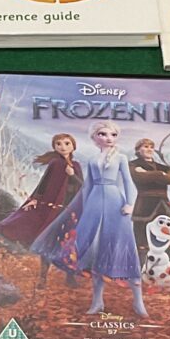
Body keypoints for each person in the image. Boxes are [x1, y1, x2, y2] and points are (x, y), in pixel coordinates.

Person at [31, 120, 147, 319]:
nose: (108, 138)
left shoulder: (121, 158)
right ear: (94, 137)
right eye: (103, 134)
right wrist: (82, 208)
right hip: (93, 204)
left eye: (113, 135)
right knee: (95, 250)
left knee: (124, 245)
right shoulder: (93, 160)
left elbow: (129, 183)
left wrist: (130, 204)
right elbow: (87, 187)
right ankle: (97, 301)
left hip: (115, 203)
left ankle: (138, 300)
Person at [0, 132, 82, 285]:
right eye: (58, 144)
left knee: (69, 243)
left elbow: (82, 186)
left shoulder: (75, 166)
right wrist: (34, 199)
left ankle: (69, 277)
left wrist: (72, 175)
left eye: (67, 143)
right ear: (54, 147)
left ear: (73, 146)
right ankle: (43, 278)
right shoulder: (55, 164)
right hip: (53, 209)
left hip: (70, 210)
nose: (63, 147)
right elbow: (44, 184)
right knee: (48, 241)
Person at [129, 136, 170, 261]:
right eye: (146, 146)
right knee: (142, 231)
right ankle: (142, 263)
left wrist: (150, 174)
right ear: (138, 150)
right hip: (145, 203)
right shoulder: (133, 164)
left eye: (151, 147)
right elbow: (139, 178)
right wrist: (160, 174)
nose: (149, 149)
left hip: (163, 202)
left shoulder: (163, 167)